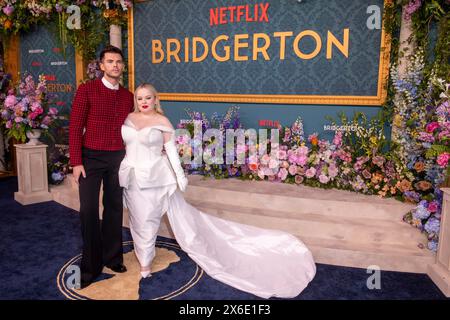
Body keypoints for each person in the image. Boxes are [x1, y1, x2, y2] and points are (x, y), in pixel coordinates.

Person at [119, 83, 316, 298]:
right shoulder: (129, 118)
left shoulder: (162, 121)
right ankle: (143, 254)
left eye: (148, 98)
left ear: (155, 99)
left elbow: (172, 152)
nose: (144, 102)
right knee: (136, 219)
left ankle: (145, 263)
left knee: (148, 220)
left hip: (155, 178)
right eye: (140, 98)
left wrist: (180, 175)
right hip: (130, 176)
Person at [69, 45, 134, 289]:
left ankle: (113, 257)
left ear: (122, 66)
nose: (115, 65)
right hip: (90, 159)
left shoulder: (128, 96)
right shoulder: (87, 90)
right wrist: (76, 161)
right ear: (101, 65)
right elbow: (75, 127)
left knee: (115, 207)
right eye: (110, 61)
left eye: (118, 61)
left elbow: (134, 129)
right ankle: (90, 266)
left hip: (118, 158)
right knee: (88, 210)